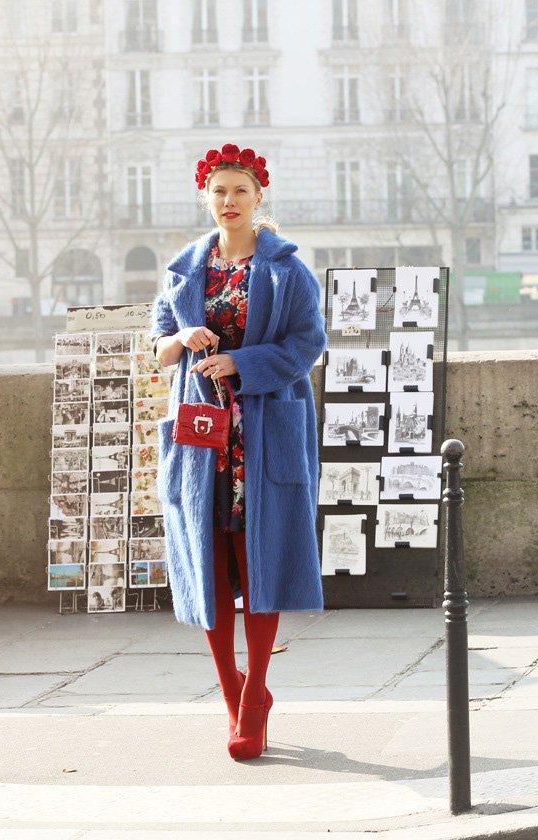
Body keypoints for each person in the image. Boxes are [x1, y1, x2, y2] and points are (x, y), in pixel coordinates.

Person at [150, 143, 326, 761]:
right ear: (207, 198)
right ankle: (232, 693)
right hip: (201, 441)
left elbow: (308, 345)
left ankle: (255, 698)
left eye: (240, 191)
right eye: (219, 192)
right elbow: (158, 349)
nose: (229, 202)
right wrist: (182, 335)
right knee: (210, 565)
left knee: (260, 564)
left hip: (263, 435)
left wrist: (241, 362)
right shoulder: (183, 271)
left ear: (258, 198)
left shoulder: (286, 271)